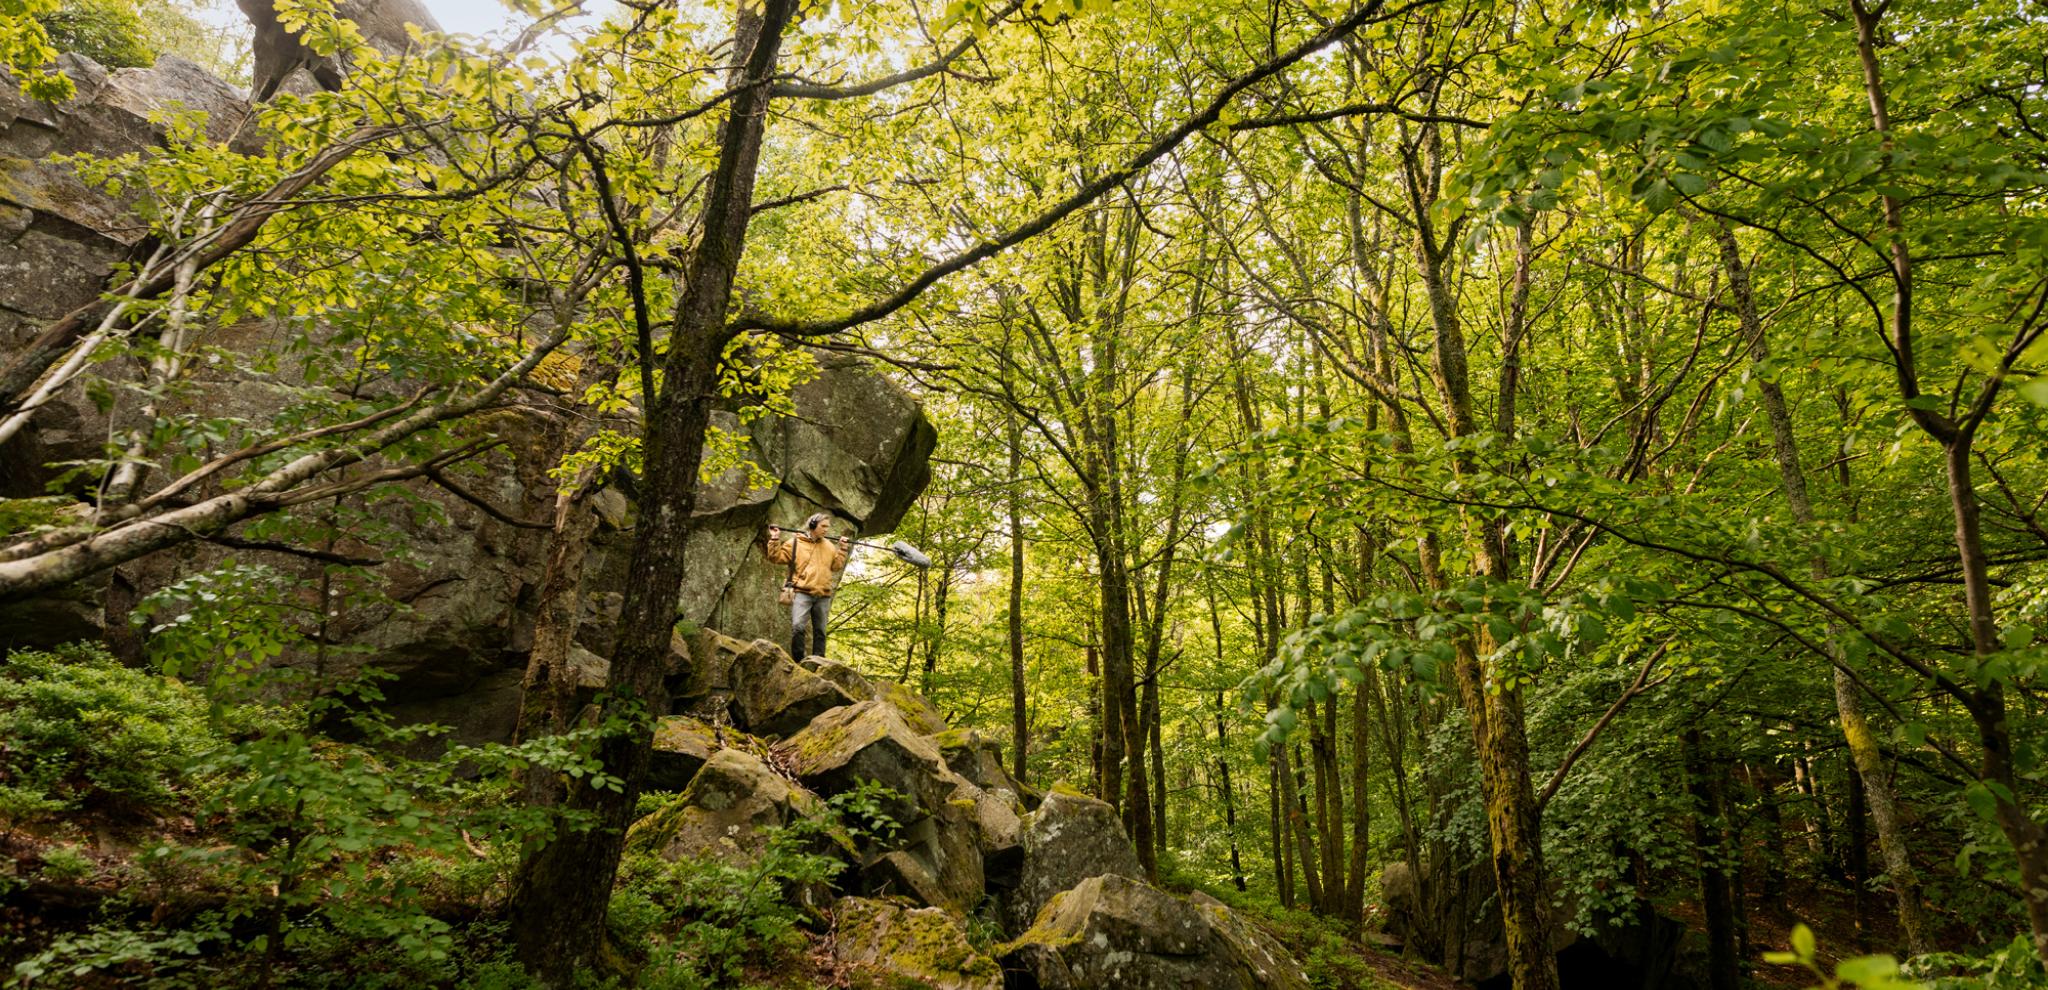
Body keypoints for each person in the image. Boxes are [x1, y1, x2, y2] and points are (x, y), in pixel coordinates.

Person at [763, 513, 852, 660]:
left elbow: (836, 566)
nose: (826, 530)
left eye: (827, 527)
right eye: (823, 526)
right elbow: (775, 557)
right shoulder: (795, 543)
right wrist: (774, 538)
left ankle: (819, 661)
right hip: (801, 592)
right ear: (812, 525)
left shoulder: (829, 546)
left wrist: (842, 549)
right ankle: (798, 661)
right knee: (798, 627)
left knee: (821, 631)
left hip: (823, 595)